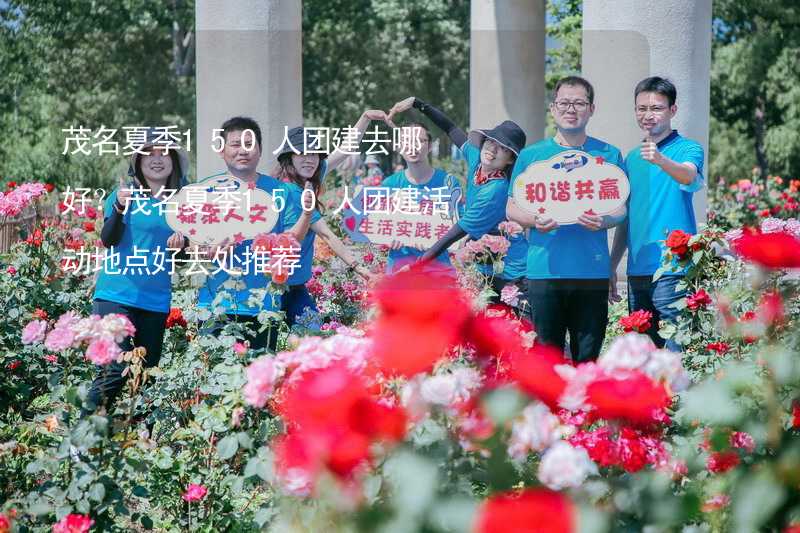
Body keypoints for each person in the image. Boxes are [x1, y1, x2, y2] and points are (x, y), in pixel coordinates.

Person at [506, 76, 627, 362]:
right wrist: (534, 220)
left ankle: (585, 409)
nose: (571, 109)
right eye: (564, 103)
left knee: (588, 359)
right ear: (553, 108)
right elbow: (511, 207)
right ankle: (550, 409)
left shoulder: (609, 155)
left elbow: (621, 209)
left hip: (591, 272)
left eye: (579, 103)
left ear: (592, 109)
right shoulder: (532, 156)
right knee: (547, 359)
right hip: (544, 271)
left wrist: (604, 220)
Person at [85, 130, 189, 412]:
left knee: (146, 378)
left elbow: (181, 259)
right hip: (116, 296)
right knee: (113, 372)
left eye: (164, 153)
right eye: (149, 154)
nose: (157, 160)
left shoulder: (181, 203)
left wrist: (180, 245)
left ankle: (139, 445)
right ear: (138, 162)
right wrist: (119, 206)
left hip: (155, 302)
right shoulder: (123, 196)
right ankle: (80, 443)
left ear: (174, 161)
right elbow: (108, 239)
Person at [387, 96, 528, 304]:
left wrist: (417, 263)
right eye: (491, 142)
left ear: (510, 160)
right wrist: (418, 104)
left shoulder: (496, 190)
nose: (493, 150)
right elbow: (451, 128)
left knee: (519, 332)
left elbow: (456, 232)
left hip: (512, 272)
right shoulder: (477, 161)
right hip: (485, 266)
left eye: (503, 149)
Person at [197, 116, 314, 351]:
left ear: (260, 150)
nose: (243, 150)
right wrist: (206, 249)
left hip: (264, 307)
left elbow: (292, 240)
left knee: (259, 381)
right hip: (215, 305)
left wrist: (307, 214)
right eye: (235, 144)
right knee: (214, 380)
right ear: (221, 150)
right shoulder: (204, 190)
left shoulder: (283, 192)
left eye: (250, 144)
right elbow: (193, 245)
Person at [610, 76, 704, 352]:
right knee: (644, 358)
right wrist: (612, 264)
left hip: (673, 270)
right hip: (638, 269)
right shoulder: (631, 158)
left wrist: (661, 159)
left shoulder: (688, 148)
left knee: (678, 355)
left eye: (656, 108)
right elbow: (626, 217)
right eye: (641, 108)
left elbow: (689, 176)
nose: (647, 115)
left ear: (672, 111)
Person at [275, 124, 378, 329]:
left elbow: (344, 150)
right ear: (289, 159)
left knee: (308, 341)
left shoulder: (307, 180)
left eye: (314, 153)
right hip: (275, 288)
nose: (309, 158)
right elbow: (328, 235)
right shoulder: (293, 192)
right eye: (302, 153)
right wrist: (361, 269)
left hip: (295, 286)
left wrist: (365, 118)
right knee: (308, 339)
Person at [373, 118, 462, 275]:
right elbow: (377, 226)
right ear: (399, 147)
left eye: (419, 141)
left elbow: (460, 225)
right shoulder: (390, 184)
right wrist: (387, 238)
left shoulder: (447, 182)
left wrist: (436, 242)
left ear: (429, 145)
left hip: (438, 272)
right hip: (399, 271)